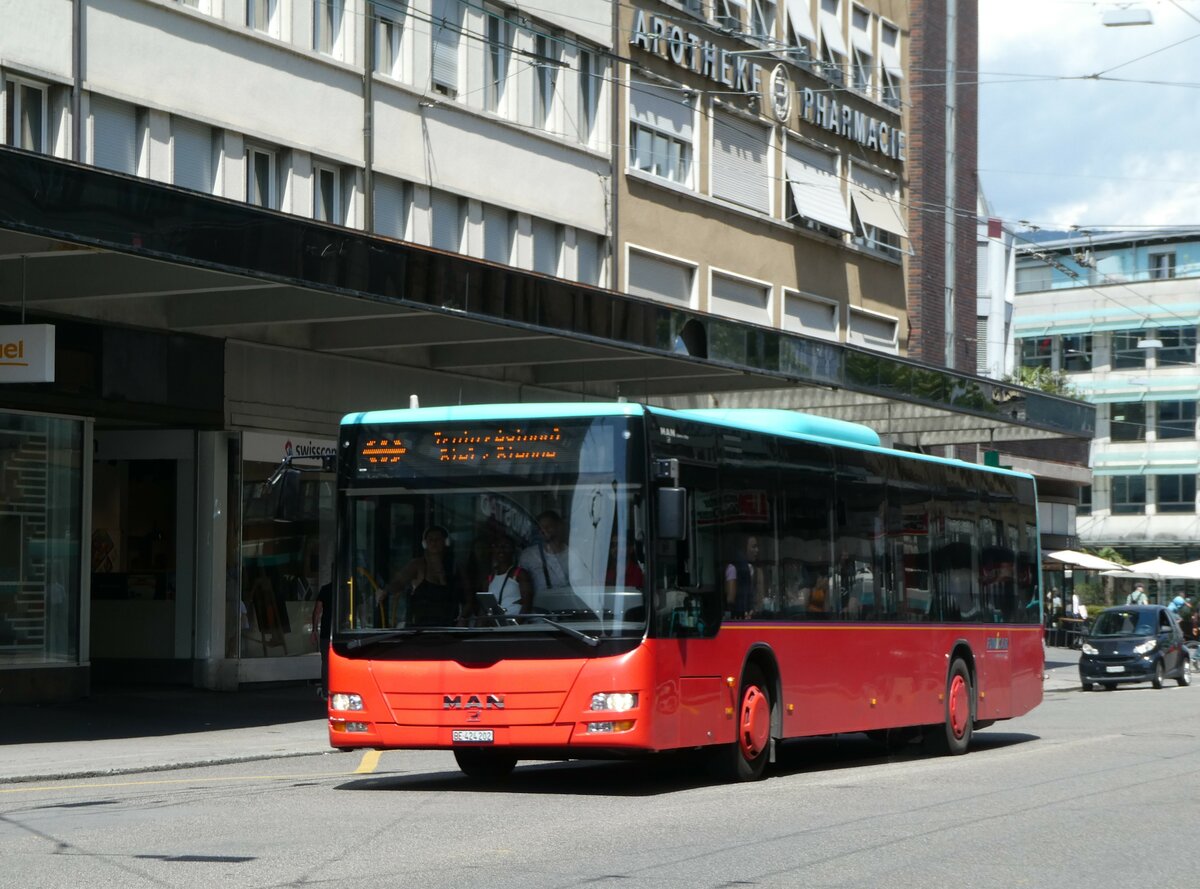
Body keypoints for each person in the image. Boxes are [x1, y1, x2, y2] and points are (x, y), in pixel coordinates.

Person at [380, 525, 462, 627]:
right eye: (430, 539)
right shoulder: (417, 565)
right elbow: (399, 582)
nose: (433, 542)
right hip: (421, 628)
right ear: (424, 543)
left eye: (438, 539)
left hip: (450, 628)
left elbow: (467, 597)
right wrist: (384, 591)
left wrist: (463, 619)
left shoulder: (455, 567)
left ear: (446, 542)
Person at [519, 510, 571, 595]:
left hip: (567, 604)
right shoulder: (528, 555)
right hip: (538, 605)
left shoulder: (573, 556)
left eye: (548, 526)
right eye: (540, 528)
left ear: (558, 527)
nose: (543, 530)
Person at [484, 534, 533, 617]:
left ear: (513, 550)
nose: (501, 550)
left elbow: (527, 605)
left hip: (515, 626)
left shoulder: (520, 574)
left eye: (505, 546)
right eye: (497, 546)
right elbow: (484, 608)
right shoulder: (489, 578)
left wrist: (515, 627)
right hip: (496, 626)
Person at [725, 535, 765, 619]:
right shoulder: (733, 568)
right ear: (744, 548)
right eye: (753, 547)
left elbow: (759, 599)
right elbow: (730, 600)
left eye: (757, 547)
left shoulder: (756, 571)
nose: (757, 550)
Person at [310, 581, 332, 698]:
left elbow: (317, 610)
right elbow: (361, 609)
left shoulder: (325, 589)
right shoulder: (351, 589)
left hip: (327, 631)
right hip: (346, 631)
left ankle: (326, 692)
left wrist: (314, 630)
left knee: (326, 662)